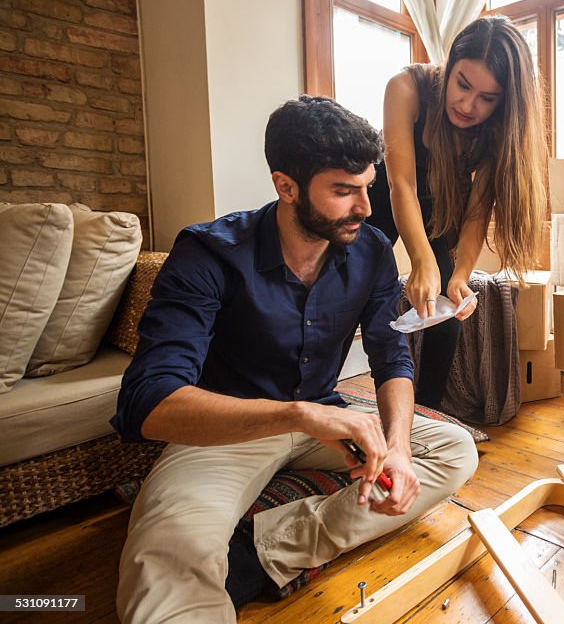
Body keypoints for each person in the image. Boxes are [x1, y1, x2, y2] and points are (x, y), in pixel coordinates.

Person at [110, 96, 479, 623]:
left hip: (327, 420)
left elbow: (391, 352)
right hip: (228, 432)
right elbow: (147, 402)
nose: (366, 207)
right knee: (162, 565)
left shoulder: (370, 249)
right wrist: (300, 414)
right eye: (343, 191)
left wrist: (396, 447)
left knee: (454, 451)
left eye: (367, 186)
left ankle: (261, 556)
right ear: (286, 187)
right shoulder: (207, 252)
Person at [367, 15, 547, 410]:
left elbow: (476, 215)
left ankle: (428, 413)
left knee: (445, 313)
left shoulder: (498, 132)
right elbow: (403, 185)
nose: (468, 105)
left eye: (487, 98)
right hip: (386, 191)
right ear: (449, 66)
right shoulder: (406, 88)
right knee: (353, 284)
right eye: (463, 85)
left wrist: (460, 276)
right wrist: (420, 260)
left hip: (444, 205)